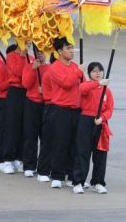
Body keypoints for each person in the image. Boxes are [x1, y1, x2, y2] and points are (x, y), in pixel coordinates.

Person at [72, 62, 113, 194]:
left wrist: (103, 118)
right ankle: (78, 181)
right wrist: (99, 83)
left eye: (100, 71)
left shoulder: (107, 91)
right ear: (89, 73)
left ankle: (98, 182)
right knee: (82, 152)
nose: (98, 73)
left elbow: (109, 109)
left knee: (100, 154)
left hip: (100, 122)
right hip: (86, 121)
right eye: (95, 71)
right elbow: (82, 89)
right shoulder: (87, 85)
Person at [48, 37, 83, 189]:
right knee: (60, 143)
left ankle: (71, 175)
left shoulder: (75, 66)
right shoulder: (54, 67)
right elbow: (67, 83)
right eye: (68, 48)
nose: (71, 51)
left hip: (76, 110)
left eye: (72, 47)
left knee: (74, 144)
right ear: (60, 51)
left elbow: (82, 86)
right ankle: (57, 175)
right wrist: (78, 71)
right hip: (61, 110)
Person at [2, 44, 31, 174]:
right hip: (14, 91)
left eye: (29, 43)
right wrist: (22, 56)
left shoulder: (30, 57)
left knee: (24, 126)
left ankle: (20, 157)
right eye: (26, 43)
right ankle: (8, 159)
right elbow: (18, 72)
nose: (28, 45)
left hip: (27, 92)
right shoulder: (12, 56)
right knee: (12, 125)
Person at [21, 49, 50, 178]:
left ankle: (44, 166)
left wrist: (46, 90)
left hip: (46, 104)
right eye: (37, 51)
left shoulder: (51, 68)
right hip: (31, 102)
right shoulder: (29, 66)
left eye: (42, 51)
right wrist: (33, 69)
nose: (40, 53)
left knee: (46, 137)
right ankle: (29, 165)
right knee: (30, 135)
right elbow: (26, 84)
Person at [0, 45, 14, 171]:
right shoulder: (2, 68)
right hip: (4, 100)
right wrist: (10, 82)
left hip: (14, 101)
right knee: (3, 129)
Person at [36, 53, 56, 182]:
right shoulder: (51, 72)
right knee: (48, 140)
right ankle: (43, 170)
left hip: (66, 109)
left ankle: (58, 169)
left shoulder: (73, 69)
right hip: (52, 107)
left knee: (61, 142)